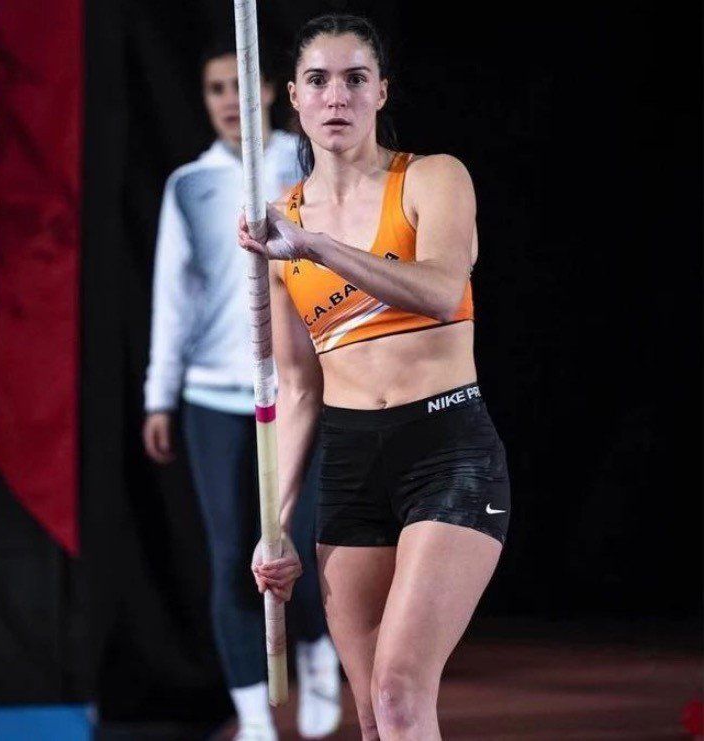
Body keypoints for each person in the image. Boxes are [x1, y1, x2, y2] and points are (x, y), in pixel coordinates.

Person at [238, 14, 510, 741]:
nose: (337, 97)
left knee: (398, 692)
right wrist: (275, 528)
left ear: (381, 91)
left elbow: (441, 290)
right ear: (293, 96)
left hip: (448, 451)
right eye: (319, 80)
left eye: (355, 79)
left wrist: (316, 247)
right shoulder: (278, 224)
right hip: (352, 463)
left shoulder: (431, 177)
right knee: (372, 717)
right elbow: (299, 389)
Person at [143, 42, 341, 741]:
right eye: (216, 88)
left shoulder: (308, 162)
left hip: (302, 390)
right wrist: (159, 394)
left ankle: (318, 654)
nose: (230, 99)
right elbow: (173, 295)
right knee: (233, 556)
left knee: (299, 540)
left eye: (241, 83)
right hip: (214, 395)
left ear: (270, 90)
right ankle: (254, 712)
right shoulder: (188, 184)